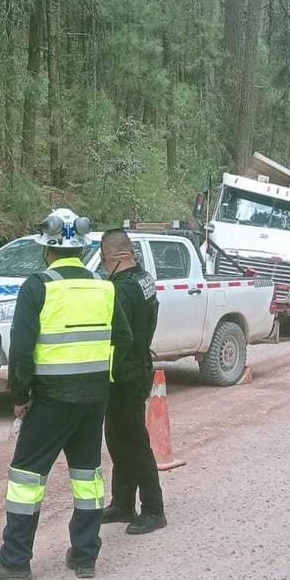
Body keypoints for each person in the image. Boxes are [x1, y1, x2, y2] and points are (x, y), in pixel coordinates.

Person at [0, 208, 132, 580]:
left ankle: (14, 562)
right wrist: (100, 378)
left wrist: (20, 395)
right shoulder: (104, 287)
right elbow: (123, 340)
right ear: (82, 249)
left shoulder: (38, 286)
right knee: (87, 476)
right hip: (94, 399)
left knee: (26, 478)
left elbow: (22, 350)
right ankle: (85, 555)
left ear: (47, 249)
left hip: (51, 399)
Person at [98, 228, 167, 535]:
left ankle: (153, 509)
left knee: (133, 441)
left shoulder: (121, 289)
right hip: (138, 366)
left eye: (102, 259)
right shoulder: (144, 278)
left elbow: (118, 337)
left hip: (125, 372)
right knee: (117, 436)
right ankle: (122, 503)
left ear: (111, 257)